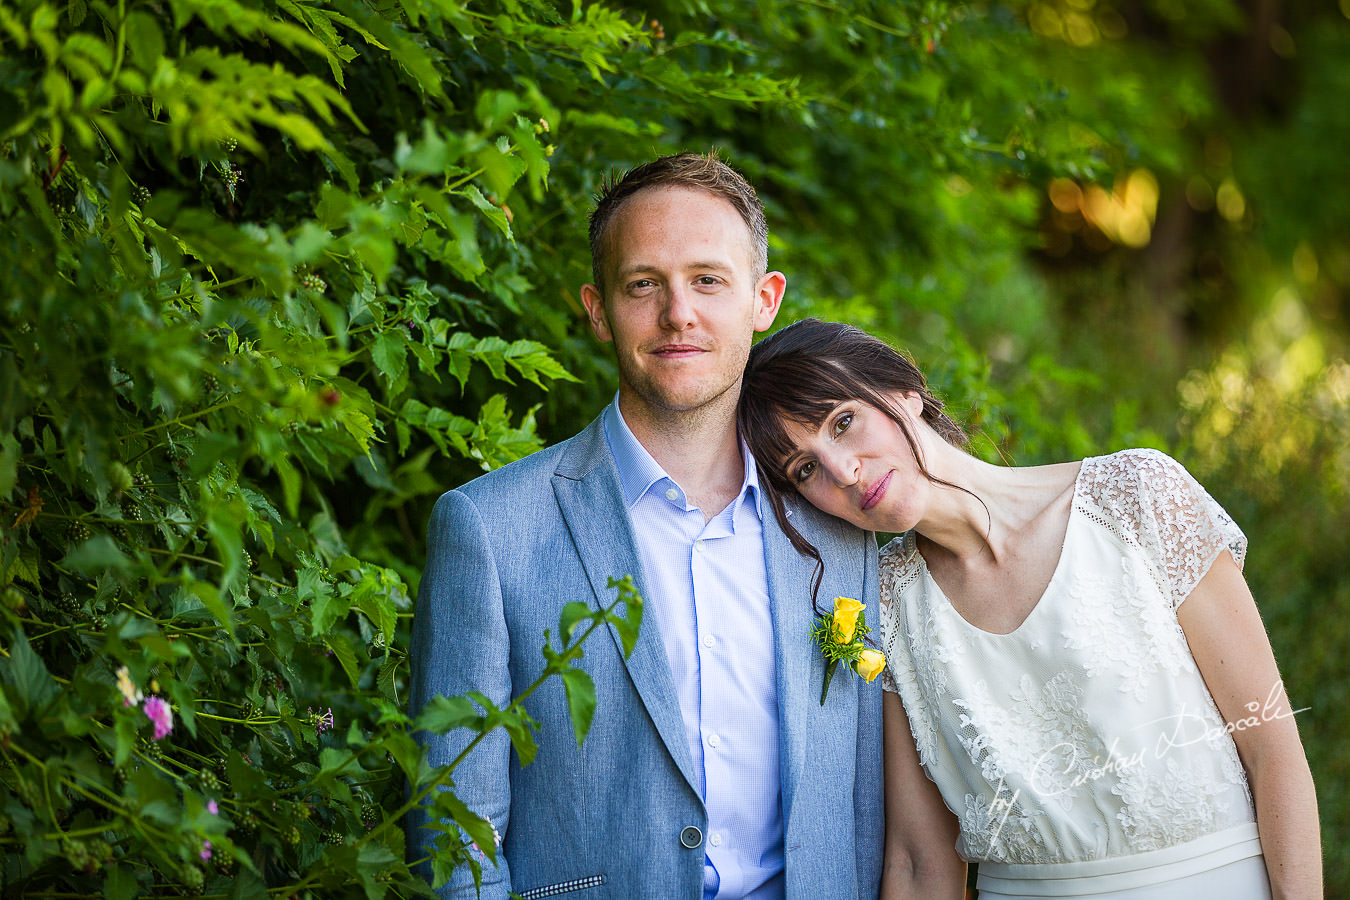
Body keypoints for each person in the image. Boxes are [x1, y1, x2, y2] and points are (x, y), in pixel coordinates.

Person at [408, 158, 885, 899]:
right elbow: (454, 832)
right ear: (598, 310)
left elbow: (864, 806)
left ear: (764, 299)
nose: (678, 314)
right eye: (643, 285)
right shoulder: (489, 530)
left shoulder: (841, 527)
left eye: (708, 280)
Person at [737, 318, 1322, 900]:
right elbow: (919, 861)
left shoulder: (1137, 497)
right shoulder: (885, 607)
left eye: (843, 422)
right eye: (806, 469)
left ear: (902, 394)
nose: (842, 471)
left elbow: (1273, 752)